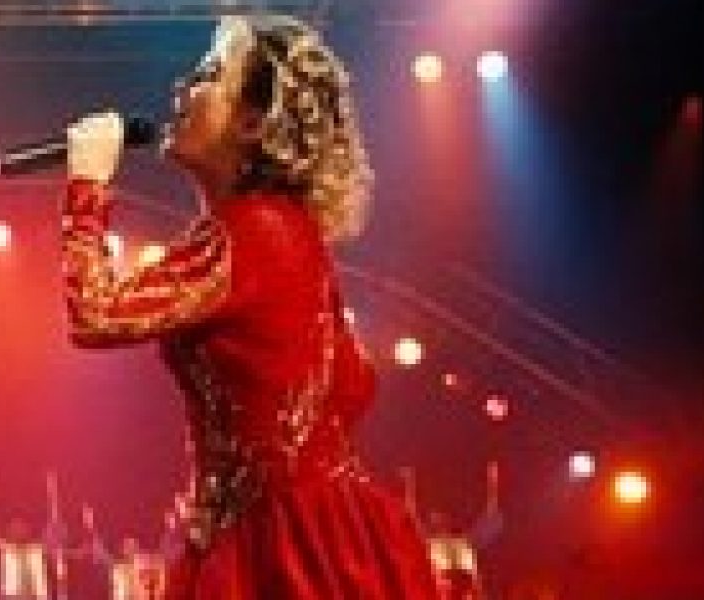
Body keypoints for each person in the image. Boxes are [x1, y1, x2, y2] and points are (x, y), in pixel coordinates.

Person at [58, 14, 439, 598]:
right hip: (288, 534)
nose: (182, 87)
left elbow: (95, 312)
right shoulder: (277, 230)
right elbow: (349, 383)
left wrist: (87, 185)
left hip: (288, 550)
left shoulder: (256, 231)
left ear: (254, 123)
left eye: (209, 75)